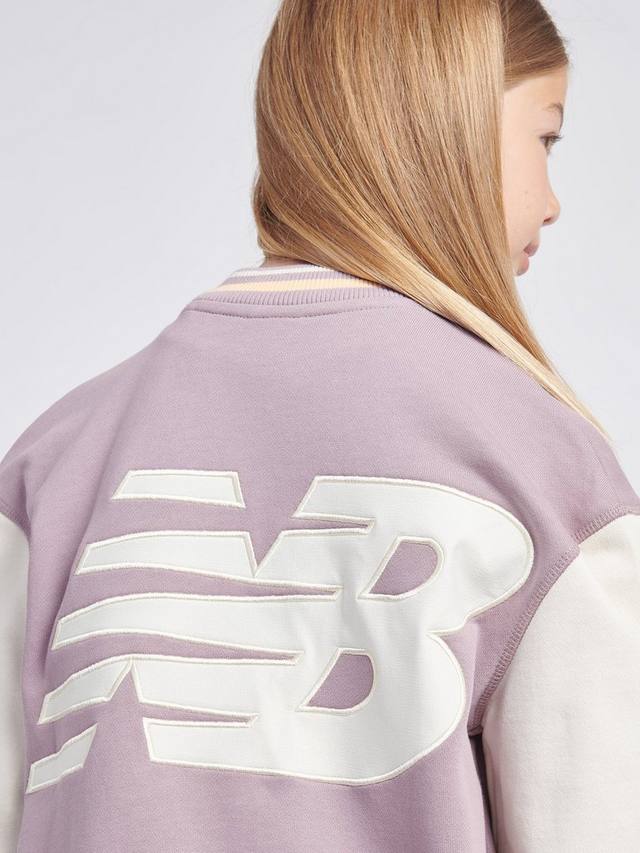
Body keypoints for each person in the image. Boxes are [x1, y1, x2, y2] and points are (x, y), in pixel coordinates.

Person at [1, 1, 638, 851]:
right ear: (447, 123)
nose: (554, 203)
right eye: (546, 138)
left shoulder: (55, 461)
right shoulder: (542, 468)